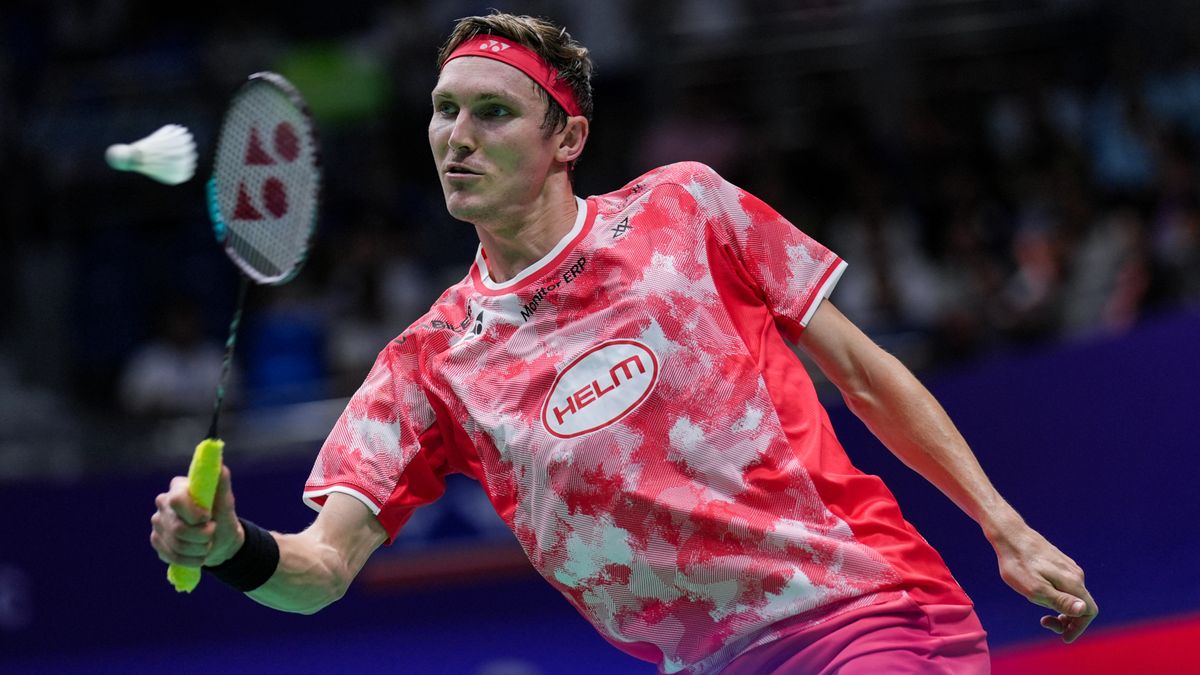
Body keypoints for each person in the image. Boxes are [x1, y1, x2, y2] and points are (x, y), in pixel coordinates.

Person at [151, 12, 1097, 674]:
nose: (455, 136)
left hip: (863, 615)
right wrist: (232, 545)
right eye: (443, 109)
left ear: (567, 138)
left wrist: (1002, 526)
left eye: (492, 112)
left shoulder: (684, 208)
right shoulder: (429, 365)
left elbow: (864, 373)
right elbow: (320, 572)